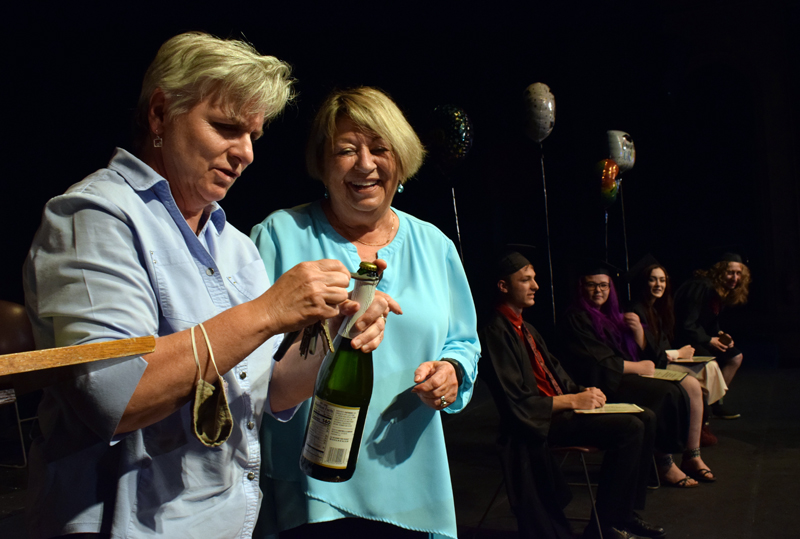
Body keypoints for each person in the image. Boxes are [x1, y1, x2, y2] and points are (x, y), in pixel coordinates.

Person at [22, 32, 390, 539]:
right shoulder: (95, 215)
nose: (246, 154)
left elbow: (270, 394)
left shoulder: (234, 245)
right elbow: (117, 396)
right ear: (159, 115)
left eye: (254, 136)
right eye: (225, 128)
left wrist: (335, 332)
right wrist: (267, 312)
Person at [250, 87, 480, 539]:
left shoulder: (435, 246)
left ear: (404, 159)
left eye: (380, 148)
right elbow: (247, 361)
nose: (365, 164)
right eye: (346, 150)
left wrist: (452, 370)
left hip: (411, 477)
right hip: (308, 486)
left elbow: (464, 342)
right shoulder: (278, 236)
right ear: (321, 161)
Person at [479, 251, 664, 539]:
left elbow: (556, 375)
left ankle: (623, 515)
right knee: (630, 428)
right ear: (503, 286)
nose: (535, 286)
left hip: (560, 410)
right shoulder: (494, 332)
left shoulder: (526, 328)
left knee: (646, 416)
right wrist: (572, 401)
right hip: (537, 425)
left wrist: (583, 391)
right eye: (525, 280)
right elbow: (515, 402)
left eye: (535, 279)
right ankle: (604, 526)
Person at [560, 261, 697, 488]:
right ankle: (664, 463)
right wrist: (638, 368)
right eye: (592, 285)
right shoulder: (576, 317)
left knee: (675, 389)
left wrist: (636, 333)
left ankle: (669, 457)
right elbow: (599, 362)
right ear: (581, 287)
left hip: (617, 379)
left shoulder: (611, 316)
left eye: (604, 286)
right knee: (664, 394)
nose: (598, 291)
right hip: (597, 385)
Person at [628, 256, 719, 478]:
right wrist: (676, 353)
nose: (658, 285)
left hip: (655, 365)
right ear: (643, 282)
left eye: (662, 280)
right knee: (688, 384)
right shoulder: (634, 311)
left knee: (702, 375)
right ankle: (667, 460)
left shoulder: (657, 311)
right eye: (652, 280)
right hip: (639, 371)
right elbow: (649, 355)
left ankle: (693, 454)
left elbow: (661, 347)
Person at [674, 253, 750, 419]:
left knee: (735, 357)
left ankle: (716, 403)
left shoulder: (718, 290)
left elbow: (708, 320)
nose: (734, 278)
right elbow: (687, 324)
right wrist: (709, 340)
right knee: (711, 363)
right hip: (684, 339)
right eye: (730, 273)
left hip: (699, 336)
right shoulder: (700, 287)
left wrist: (720, 335)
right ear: (719, 271)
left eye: (738, 274)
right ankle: (702, 412)